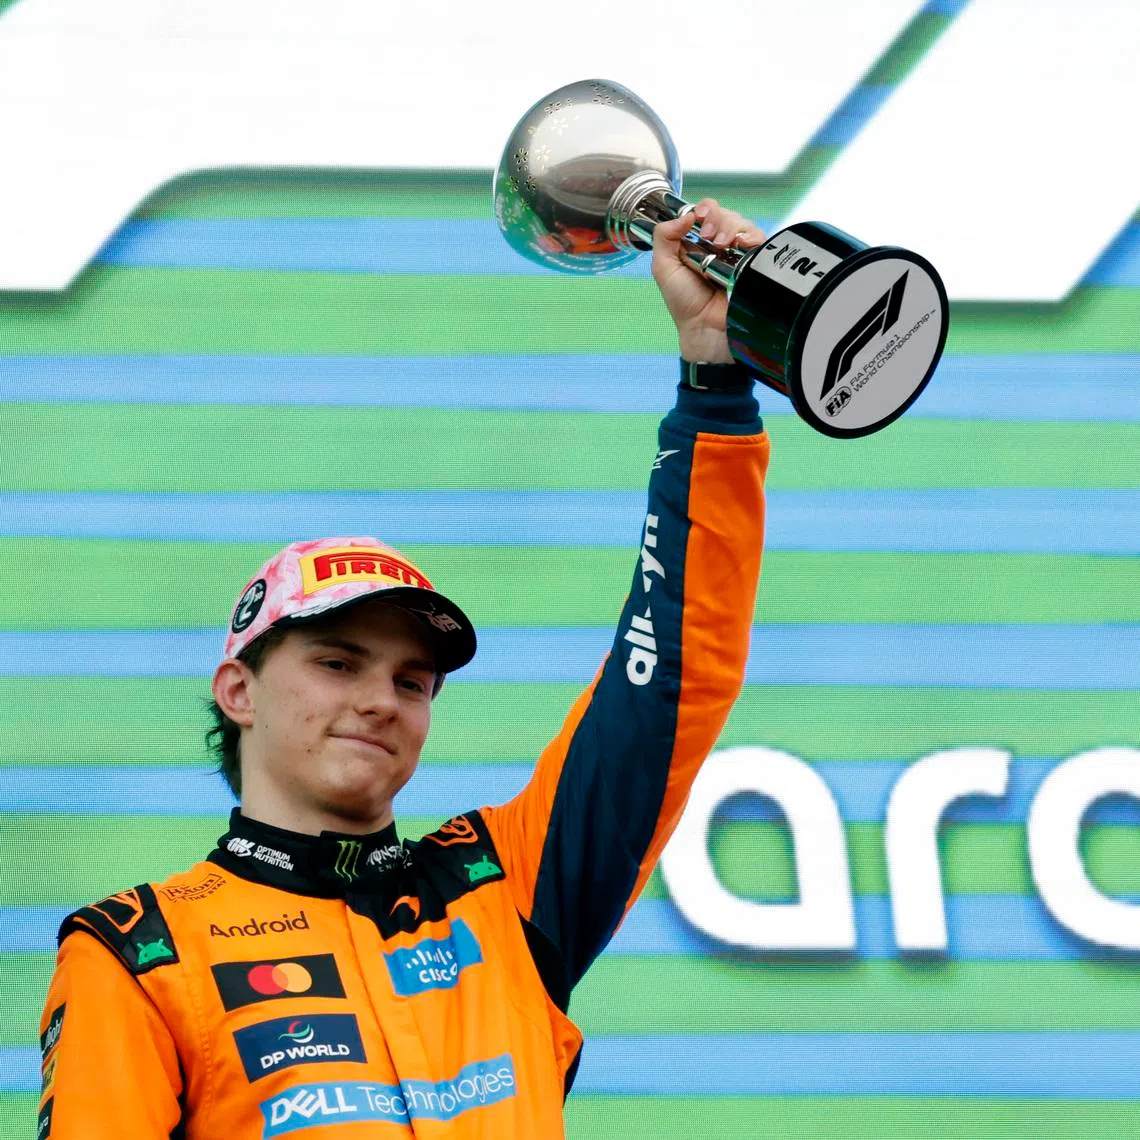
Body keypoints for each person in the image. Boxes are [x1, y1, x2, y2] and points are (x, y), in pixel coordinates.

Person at [35, 200, 772, 1139]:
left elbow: (671, 674)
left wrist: (713, 382)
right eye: (338, 662)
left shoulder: (504, 889)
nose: (380, 701)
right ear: (239, 691)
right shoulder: (138, 954)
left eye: (412, 681)